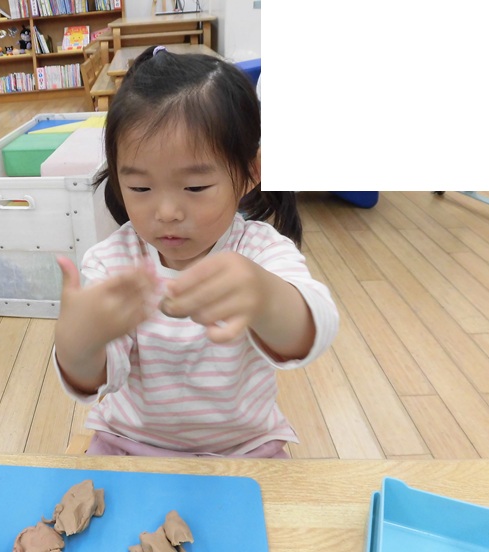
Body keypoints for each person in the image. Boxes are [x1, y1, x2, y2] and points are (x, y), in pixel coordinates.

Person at [53, 45, 339, 459]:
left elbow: (313, 330)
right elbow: (96, 378)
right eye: (140, 188)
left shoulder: (258, 250)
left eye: (195, 187)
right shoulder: (112, 261)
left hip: (243, 450)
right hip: (128, 444)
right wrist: (77, 345)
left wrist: (266, 297)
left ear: (250, 173)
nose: (167, 212)